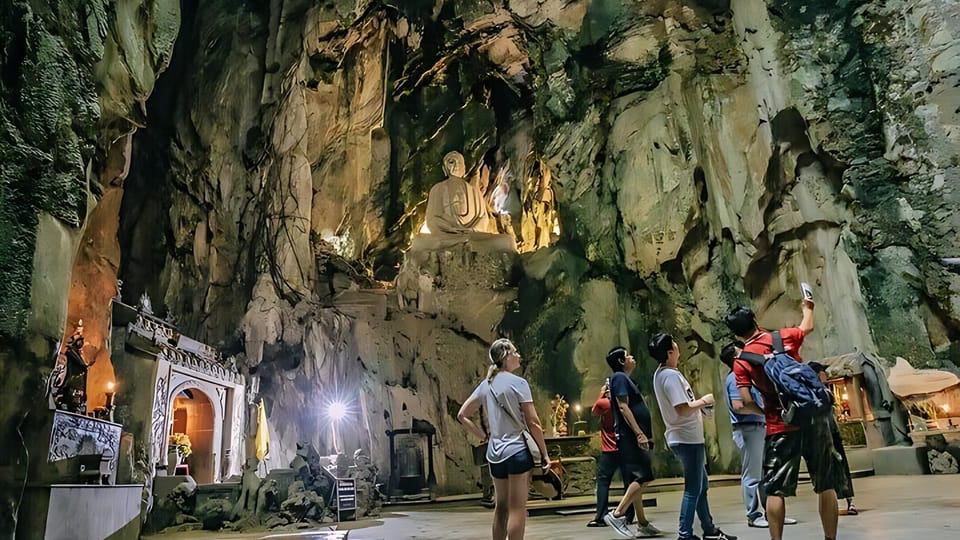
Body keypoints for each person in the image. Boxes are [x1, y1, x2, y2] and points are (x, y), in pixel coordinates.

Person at [725, 300, 839, 540]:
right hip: (813, 419)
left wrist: (765, 411)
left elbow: (744, 401)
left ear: (736, 333)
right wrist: (808, 307)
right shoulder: (781, 339)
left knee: (776, 489)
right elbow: (807, 327)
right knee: (826, 484)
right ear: (755, 320)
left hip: (780, 425)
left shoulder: (741, 361)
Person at [458, 338, 552, 540]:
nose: (519, 355)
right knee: (517, 508)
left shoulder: (486, 384)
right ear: (506, 356)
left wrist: (483, 436)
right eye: (515, 352)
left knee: (501, 507)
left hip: (495, 455)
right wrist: (544, 453)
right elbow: (533, 422)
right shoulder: (519, 383)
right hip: (517, 451)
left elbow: (462, 415)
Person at [650, 334, 737, 540]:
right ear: (670, 352)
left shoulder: (664, 373)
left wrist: (698, 409)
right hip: (686, 439)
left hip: (685, 436)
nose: (678, 347)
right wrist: (703, 401)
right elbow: (681, 408)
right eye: (674, 344)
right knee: (692, 488)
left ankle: (709, 529)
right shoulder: (669, 376)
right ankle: (685, 533)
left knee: (701, 485)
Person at [720, 342, 798, 529]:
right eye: (742, 352)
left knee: (766, 474)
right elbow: (739, 406)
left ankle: (773, 513)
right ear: (735, 358)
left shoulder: (748, 377)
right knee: (752, 475)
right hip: (748, 429)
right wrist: (764, 411)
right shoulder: (734, 379)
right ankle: (753, 515)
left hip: (758, 427)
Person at [603, 347, 663, 538]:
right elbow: (623, 406)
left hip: (632, 436)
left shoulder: (623, 379)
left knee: (636, 478)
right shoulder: (619, 378)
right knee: (644, 475)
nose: (632, 357)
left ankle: (643, 523)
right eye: (628, 355)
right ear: (621, 361)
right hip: (629, 436)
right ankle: (617, 513)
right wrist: (638, 433)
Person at [808, 361, 858, 516]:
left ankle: (849, 501)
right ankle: (831, 505)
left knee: (841, 466)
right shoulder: (810, 391)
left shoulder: (824, 390)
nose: (826, 376)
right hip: (820, 435)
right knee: (826, 472)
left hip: (832, 432)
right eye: (823, 372)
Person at [587, 381, 635, 528]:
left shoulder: (604, 403)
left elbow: (594, 411)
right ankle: (629, 515)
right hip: (625, 447)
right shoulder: (625, 403)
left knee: (603, 481)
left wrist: (601, 393)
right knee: (629, 482)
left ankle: (601, 515)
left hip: (610, 449)